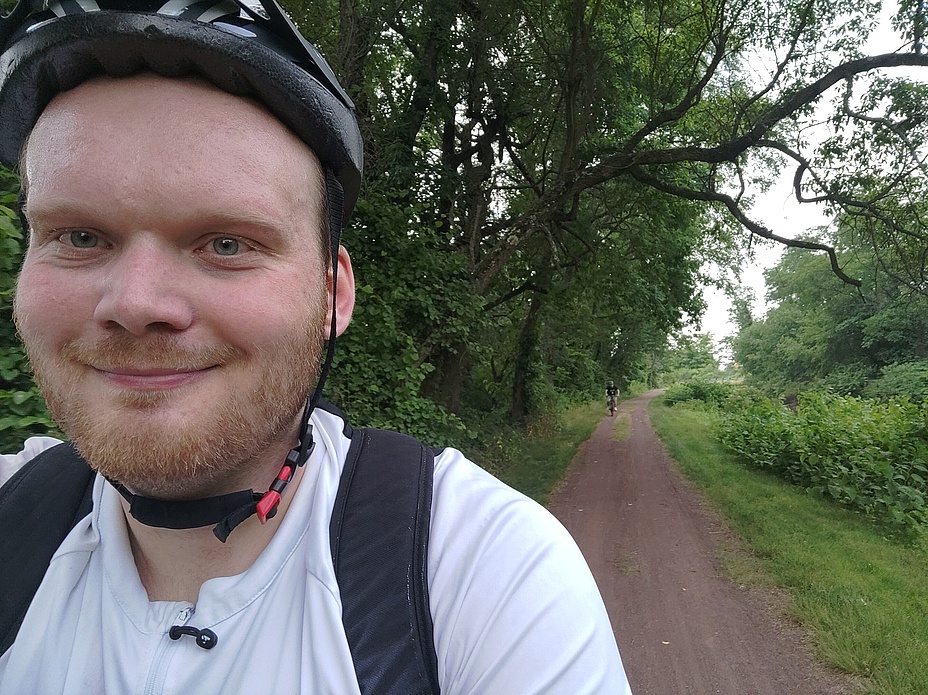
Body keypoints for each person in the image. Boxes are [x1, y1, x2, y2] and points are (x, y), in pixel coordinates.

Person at [0, 1, 632, 693]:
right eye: (80, 237)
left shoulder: (487, 577)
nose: (136, 304)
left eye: (227, 244)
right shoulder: (13, 516)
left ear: (334, 294)